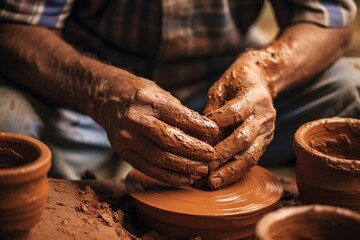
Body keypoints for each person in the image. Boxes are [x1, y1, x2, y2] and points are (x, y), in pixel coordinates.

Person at [0, 0, 358, 189]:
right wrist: (105, 93)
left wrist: (266, 72)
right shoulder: (98, 91)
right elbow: (15, 28)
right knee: (7, 119)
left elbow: (330, 18)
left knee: (350, 86)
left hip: (228, 90)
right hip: (88, 92)